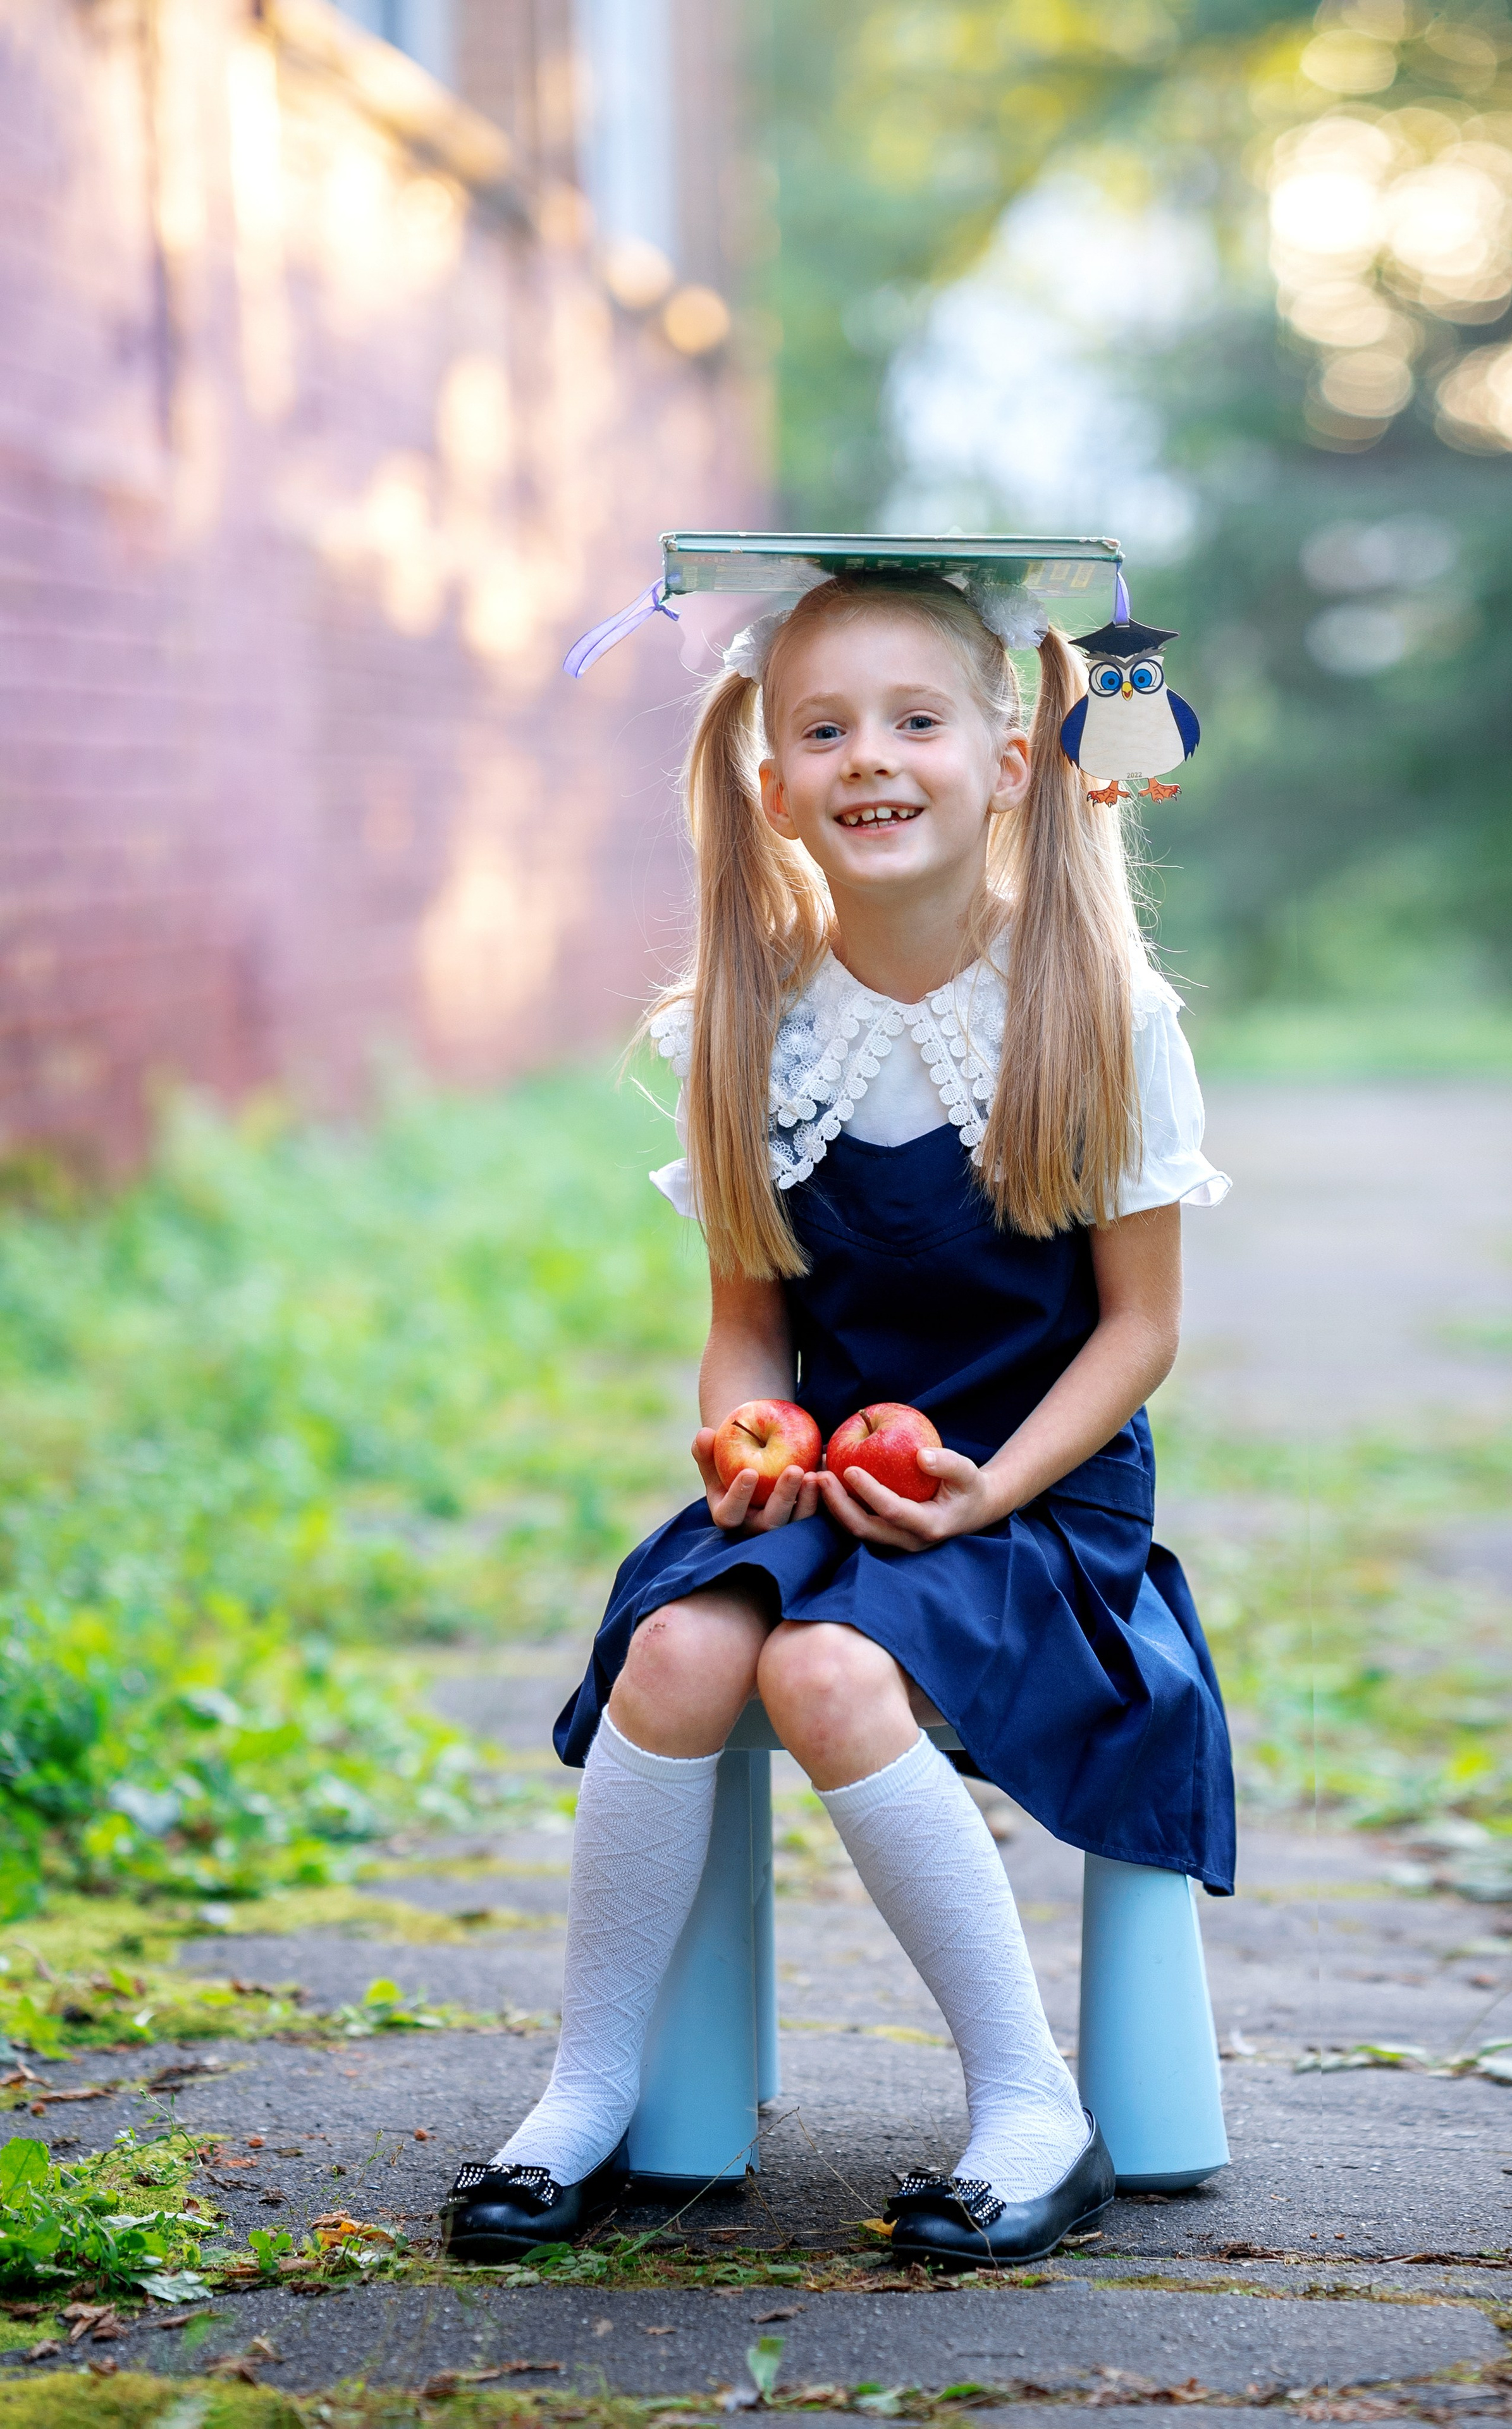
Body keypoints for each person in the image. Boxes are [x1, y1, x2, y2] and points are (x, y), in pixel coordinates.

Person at [442, 566, 1235, 2269]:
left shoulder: (1097, 1006)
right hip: (828, 1498)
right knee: (673, 1656)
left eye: (915, 719)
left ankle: (1032, 2111)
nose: (870, 756)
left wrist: (976, 1494)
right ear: (771, 778)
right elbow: (745, 1333)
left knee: (818, 1667)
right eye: (825, 728)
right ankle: (587, 2093)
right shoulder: (751, 1023)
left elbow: (1140, 1333)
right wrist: (748, 1446)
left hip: (1037, 1498)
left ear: (1008, 761)